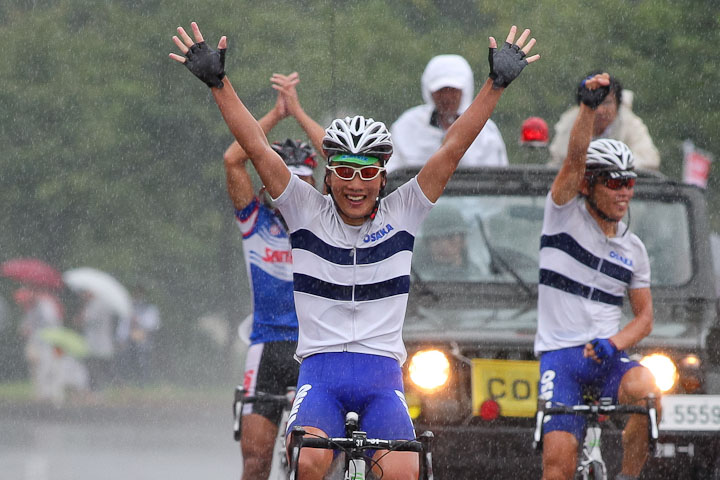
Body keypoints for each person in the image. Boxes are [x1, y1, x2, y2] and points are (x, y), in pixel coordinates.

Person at [170, 22, 538, 479]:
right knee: (309, 461)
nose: (356, 185)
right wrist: (218, 84)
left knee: (404, 471)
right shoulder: (304, 210)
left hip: (382, 378)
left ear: (384, 177)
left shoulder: (404, 211)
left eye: (367, 173)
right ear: (327, 176)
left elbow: (454, 147)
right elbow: (254, 147)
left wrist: (494, 86)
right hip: (320, 375)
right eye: (344, 171)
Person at [535, 73, 661, 480]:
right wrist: (589, 108)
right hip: (561, 358)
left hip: (607, 357)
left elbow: (644, 318)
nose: (625, 192)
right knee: (558, 464)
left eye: (630, 183)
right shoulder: (561, 216)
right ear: (589, 185)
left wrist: (614, 343)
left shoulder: (634, 249)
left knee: (648, 391)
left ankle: (627, 475)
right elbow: (574, 159)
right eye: (615, 182)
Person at [224, 72, 322, 480]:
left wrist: (298, 112)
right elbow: (234, 158)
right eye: (284, 179)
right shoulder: (255, 220)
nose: (292, 191)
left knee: (311, 462)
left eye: (302, 182)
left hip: (314, 348)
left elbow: (342, 160)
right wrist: (274, 115)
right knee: (255, 461)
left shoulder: (323, 219)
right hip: (266, 345)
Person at [388, 54, 508, 174]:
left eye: (453, 90)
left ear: (465, 90)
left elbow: (498, 181)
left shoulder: (486, 132)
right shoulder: (405, 127)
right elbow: (390, 177)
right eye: (441, 91)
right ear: (429, 91)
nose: (447, 97)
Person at [548, 71, 660, 170]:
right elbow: (558, 162)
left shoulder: (630, 123)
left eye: (607, 103)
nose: (600, 110)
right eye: (594, 103)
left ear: (618, 105)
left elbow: (649, 160)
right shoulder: (569, 122)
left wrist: (609, 165)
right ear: (581, 105)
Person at [414, 203, 483, 281]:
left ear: (463, 241)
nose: (444, 246)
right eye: (436, 239)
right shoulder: (415, 277)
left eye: (451, 238)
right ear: (427, 244)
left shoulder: (477, 276)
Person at [116, 285, 160, 385]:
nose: (137, 296)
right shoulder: (128, 309)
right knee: (124, 358)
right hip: (129, 340)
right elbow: (123, 326)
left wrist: (138, 321)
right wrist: (121, 339)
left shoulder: (150, 309)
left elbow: (153, 325)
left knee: (142, 359)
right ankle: (125, 381)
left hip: (144, 340)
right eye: (135, 293)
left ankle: (144, 382)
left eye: (139, 293)